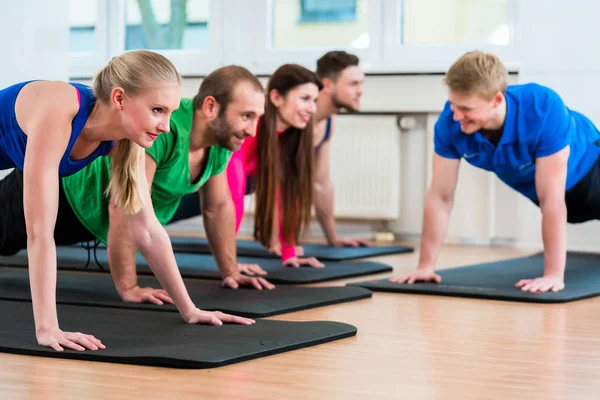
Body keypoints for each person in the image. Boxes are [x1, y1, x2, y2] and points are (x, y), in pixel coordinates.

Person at [0, 51, 253, 353]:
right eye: (157, 110)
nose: (166, 126)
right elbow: (39, 233)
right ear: (119, 98)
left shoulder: (125, 141)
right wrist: (48, 328)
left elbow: (147, 229)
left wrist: (190, 310)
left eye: (170, 112)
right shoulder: (59, 111)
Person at [391, 50, 600, 294]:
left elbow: (551, 199)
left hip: (591, 171)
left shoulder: (542, 107)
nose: (457, 115)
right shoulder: (450, 125)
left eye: (466, 108)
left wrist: (553, 275)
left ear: (497, 100)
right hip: (555, 196)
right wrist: (425, 267)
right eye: (453, 105)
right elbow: (440, 197)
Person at [58, 65, 274, 300]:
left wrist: (230, 271)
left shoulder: (221, 141)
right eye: (246, 116)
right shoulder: (164, 129)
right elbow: (125, 205)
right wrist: (128, 288)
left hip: (93, 218)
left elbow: (218, 206)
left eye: (256, 118)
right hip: (64, 196)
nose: (253, 131)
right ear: (211, 106)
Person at [227, 64, 325, 267]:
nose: (312, 108)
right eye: (305, 99)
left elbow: (287, 195)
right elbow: (232, 197)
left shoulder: (289, 139)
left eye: (315, 100)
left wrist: (289, 253)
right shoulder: (249, 130)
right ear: (276, 98)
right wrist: (230, 265)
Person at [310, 50, 370, 251]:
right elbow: (277, 187)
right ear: (327, 85)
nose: (360, 91)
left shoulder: (328, 122)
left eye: (361, 83)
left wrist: (333, 238)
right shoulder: (299, 117)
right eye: (353, 84)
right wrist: (283, 246)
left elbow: (321, 184)